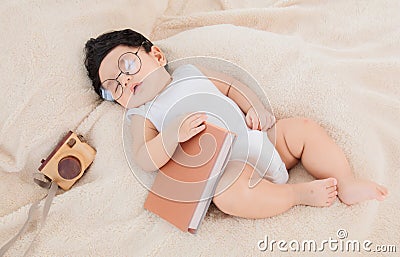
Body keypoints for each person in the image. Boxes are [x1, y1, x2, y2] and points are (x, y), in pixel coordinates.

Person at [84, 29, 388, 219]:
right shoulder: (142, 114)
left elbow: (230, 86)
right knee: (228, 195)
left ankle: (345, 182)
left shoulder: (189, 72)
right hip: (224, 170)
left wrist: (255, 107)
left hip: (259, 140)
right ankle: (297, 195)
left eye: (127, 65)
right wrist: (172, 136)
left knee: (304, 129)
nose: (124, 81)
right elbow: (144, 157)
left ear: (157, 55)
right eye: (113, 88)